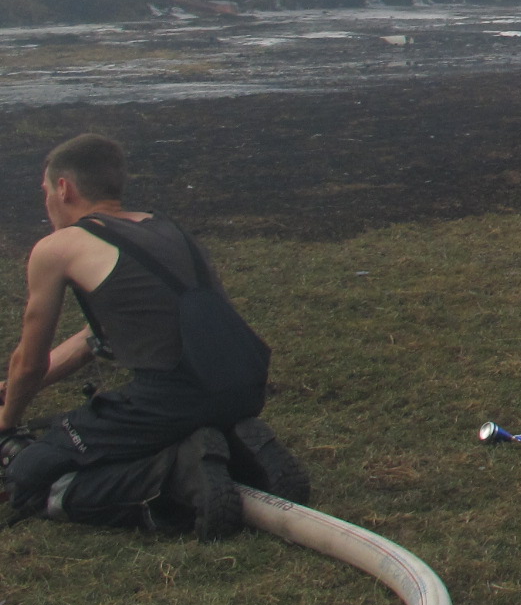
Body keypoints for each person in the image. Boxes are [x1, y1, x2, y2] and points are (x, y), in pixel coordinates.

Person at [2, 134, 307, 537]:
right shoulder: (165, 229)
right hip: (244, 386)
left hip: (172, 397)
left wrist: (6, 423)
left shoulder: (58, 247)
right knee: (138, 434)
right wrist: (8, 389)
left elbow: (29, 362)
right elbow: (91, 340)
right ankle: (239, 452)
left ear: (64, 188)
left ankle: (177, 479)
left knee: (28, 477)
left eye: (45, 192)